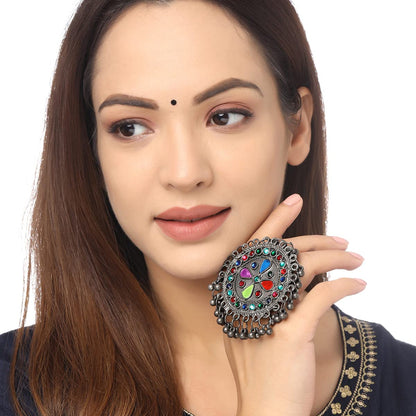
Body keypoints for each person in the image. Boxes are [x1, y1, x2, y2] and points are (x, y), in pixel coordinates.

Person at [0, 0, 415, 415]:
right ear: (93, 150)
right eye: (131, 127)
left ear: (297, 129)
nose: (184, 174)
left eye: (225, 117)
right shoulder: (13, 385)